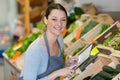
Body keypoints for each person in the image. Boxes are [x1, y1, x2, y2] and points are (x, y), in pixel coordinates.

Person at [20, 3, 78, 80]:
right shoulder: (36, 50)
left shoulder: (59, 40)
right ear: (45, 20)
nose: (59, 24)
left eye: (63, 19)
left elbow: (53, 69)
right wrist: (57, 73)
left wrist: (66, 64)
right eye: (54, 19)